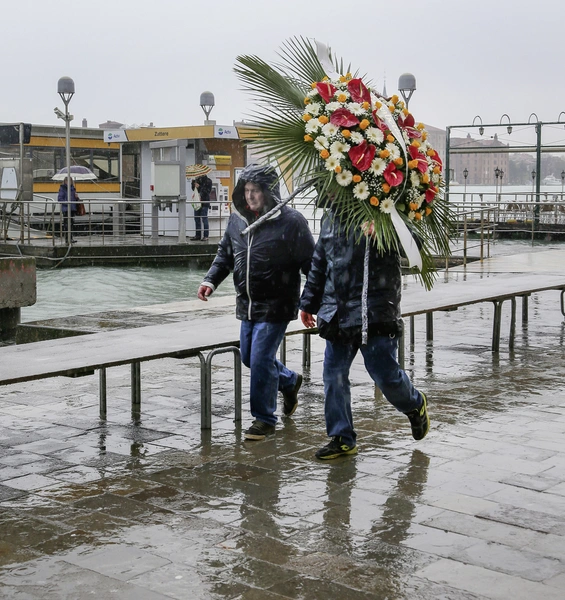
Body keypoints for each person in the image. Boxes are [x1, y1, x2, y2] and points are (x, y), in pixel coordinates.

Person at [197, 164, 315, 440]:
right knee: (251, 358)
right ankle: (289, 380)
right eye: (246, 190)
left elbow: (312, 264)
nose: (250, 197)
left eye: (256, 191)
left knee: (261, 358)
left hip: (278, 303)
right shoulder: (237, 220)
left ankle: (264, 419)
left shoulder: (292, 221)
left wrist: (311, 301)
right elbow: (225, 254)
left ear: (269, 192)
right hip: (247, 303)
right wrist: (210, 281)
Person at [299, 210, 430, 460]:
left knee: (385, 375)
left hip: (376, 310)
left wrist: (384, 232)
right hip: (337, 309)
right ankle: (342, 437)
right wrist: (308, 302)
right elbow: (320, 262)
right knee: (334, 374)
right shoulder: (330, 217)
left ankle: (414, 404)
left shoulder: (384, 212)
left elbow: (414, 246)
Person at [190, 173, 213, 241]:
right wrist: (193, 183)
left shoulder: (208, 181)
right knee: (197, 218)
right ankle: (198, 235)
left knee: (204, 218)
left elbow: (207, 191)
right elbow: (193, 189)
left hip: (204, 202)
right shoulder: (197, 180)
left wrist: (199, 187)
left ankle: (206, 235)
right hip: (197, 202)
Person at [57, 176, 79, 242]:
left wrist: (77, 197)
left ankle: (70, 238)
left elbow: (75, 199)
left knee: (71, 223)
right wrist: (67, 203)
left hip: (72, 208)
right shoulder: (63, 188)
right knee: (67, 224)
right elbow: (60, 199)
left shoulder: (73, 189)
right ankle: (67, 238)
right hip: (66, 209)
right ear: (65, 181)